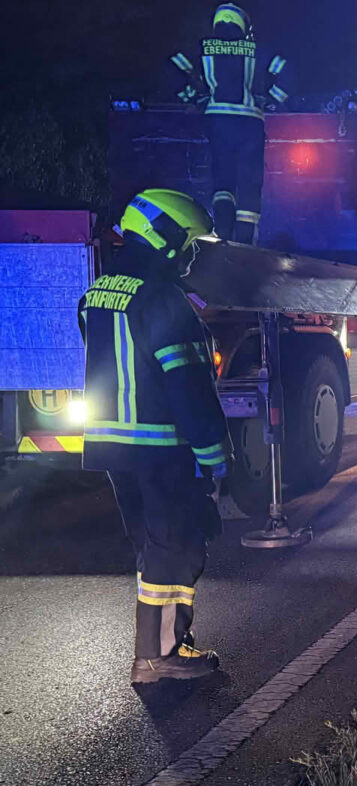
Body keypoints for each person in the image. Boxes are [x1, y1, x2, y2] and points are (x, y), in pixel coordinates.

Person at [79, 190, 231, 683]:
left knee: (152, 548)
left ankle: (160, 648)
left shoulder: (100, 291)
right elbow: (188, 388)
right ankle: (158, 657)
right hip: (160, 447)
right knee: (179, 545)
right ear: (163, 238)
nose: (191, 255)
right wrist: (214, 455)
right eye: (188, 243)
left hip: (113, 447)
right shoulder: (165, 301)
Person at [171, 3, 289, 245]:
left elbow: (173, 66)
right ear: (243, 25)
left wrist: (192, 98)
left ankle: (223, 234)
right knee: (249, 180)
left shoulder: (203, 48)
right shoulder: (257, 49)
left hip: (217, 121)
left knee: (222, 179)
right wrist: (273, 100)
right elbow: (288, 72)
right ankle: (245, 243)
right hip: (250, 123)